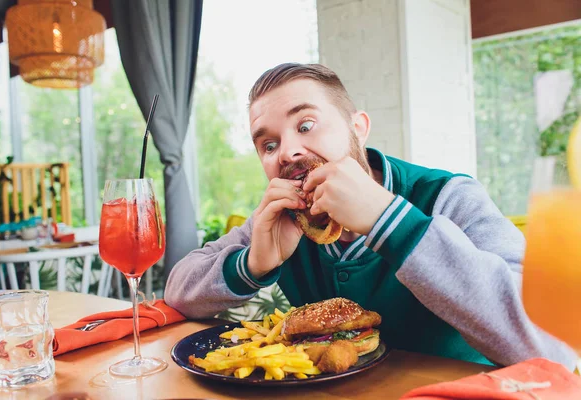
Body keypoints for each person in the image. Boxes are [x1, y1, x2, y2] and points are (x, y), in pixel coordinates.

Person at [165, 63, 576, 369]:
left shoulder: (450, 198)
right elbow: (177, 290)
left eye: (306, 125)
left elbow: (555, 343)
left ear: (358, 128)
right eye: (268, 145)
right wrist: (251, 265)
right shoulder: (279, 221)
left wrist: (388, 222)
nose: (288, 152)